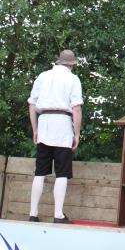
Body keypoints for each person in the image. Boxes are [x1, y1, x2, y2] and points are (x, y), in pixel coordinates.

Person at [27, 50, 83, 224]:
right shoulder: (73, 79)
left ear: (59, 62)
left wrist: (35, 129)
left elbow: (32, 104)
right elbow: (76, 108)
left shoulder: (43, 76)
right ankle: (58, 215)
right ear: (72, 64)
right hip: (62, 125)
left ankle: (33, 214)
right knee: (62, 173)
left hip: (44, 123)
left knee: (40, 172)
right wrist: (77, 133)